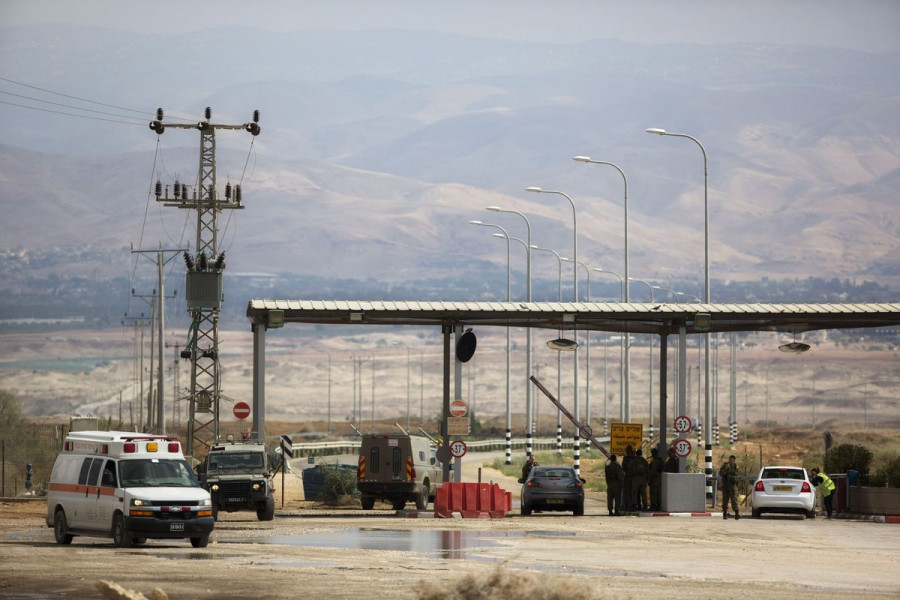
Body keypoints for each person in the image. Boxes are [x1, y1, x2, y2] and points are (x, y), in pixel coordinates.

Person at [719, 454, 741, 519]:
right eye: (729, 459)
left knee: (734, 499)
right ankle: (724, 514)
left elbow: (737, 475)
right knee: (725, 500)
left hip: (733, 485)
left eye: (732, 460)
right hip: (726, 485)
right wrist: (726, 468)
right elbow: (721, 473)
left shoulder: (736, 466)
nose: (730, 461)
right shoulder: (725, 465)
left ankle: (737, 514)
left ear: (734, 460)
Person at [648, 447, 664, 511]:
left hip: (655, 479)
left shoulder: (655, 461)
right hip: (660, 479)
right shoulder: (660, 460)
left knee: (653, 493)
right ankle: (658, 506)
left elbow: (653, 472)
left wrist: (649, 479)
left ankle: (653, 506)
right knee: (659, 493)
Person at [621, 445, 635, 511]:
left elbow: (623, 468)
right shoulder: (636, 458)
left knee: (627, 492)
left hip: (628, 478)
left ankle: (627, 506)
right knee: (635, 493)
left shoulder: (626, 458)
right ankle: (634, 506)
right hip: (635, 478)